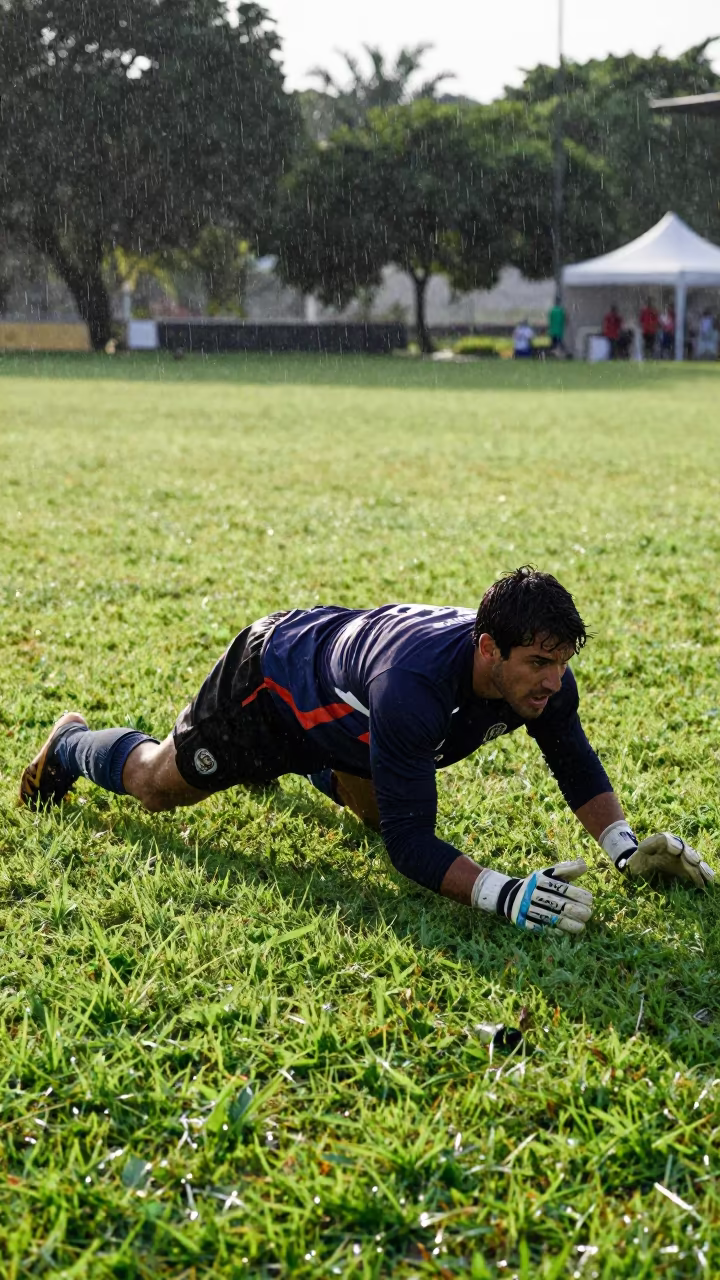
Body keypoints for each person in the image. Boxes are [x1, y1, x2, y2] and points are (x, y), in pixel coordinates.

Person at [20, 569, 714, 936]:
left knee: (379, 813)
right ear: (487, 649)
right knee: (159, 785)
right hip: (274, 684)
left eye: (561, 663)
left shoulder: (539, 681)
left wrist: (622, 846)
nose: (553, 682)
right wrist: (503, 894)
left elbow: (572, 757)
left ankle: (316, 764)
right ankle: (70, 742)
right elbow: (413, 849)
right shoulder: (414, 691)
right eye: (537, 663)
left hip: (349, 705)